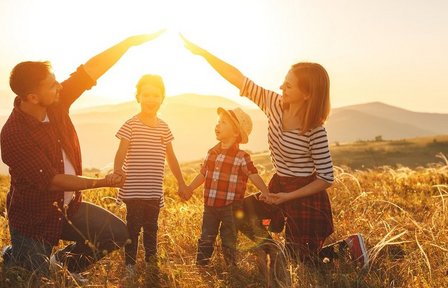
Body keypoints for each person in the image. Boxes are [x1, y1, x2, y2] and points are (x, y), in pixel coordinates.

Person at [181, 35, 369, 267]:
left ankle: (350, 247)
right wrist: (203, 54)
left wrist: (288, 197)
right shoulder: (274, 104)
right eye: (283, 82)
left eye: (288, 86)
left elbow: (326, 178)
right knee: (238, 212)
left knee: (303, 262)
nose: (281, 88)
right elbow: (239, 79)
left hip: (305, 195)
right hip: (279, 185)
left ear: (307, 94)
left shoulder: (315, 130)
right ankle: (273, 250)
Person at [0, 31, 163, 283]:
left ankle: (63, 264)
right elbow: (53, 180)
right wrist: (102, 182)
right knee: (34, 280)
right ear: (32, 97)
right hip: (34, 218)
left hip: (68, 207)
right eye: (52, 84)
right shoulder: (14, 134)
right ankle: (16, 254)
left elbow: (90, 71)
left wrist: (129, 43)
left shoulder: (55, 102)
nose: (60, 87)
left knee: (117, 233)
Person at [113, 74, 186, 276]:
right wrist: (118, 169)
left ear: (162, 98)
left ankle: (151, 263)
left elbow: (171, 157)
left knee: (151, 228)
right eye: (146, 94)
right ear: (138, 97)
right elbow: (121, 151)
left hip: (153, 190)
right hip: (134, 188)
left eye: (156, 95)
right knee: (133, 228)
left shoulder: (164, 127)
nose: (151, 99)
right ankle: (130, 266)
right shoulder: (131, 124)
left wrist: (181, 182)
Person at [182, 107, 270, 267]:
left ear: (236, 133)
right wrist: (189, 188)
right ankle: (201, 265)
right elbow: (203, 174)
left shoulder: (241, 157)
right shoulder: (211, 153)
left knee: (229, 236)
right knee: (207, 235)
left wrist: (266, 192)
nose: (218, 125)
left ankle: (231, 266)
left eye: (223, 122)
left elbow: (253, 174)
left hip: (231, 207)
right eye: (218, 122)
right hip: (210, 205)